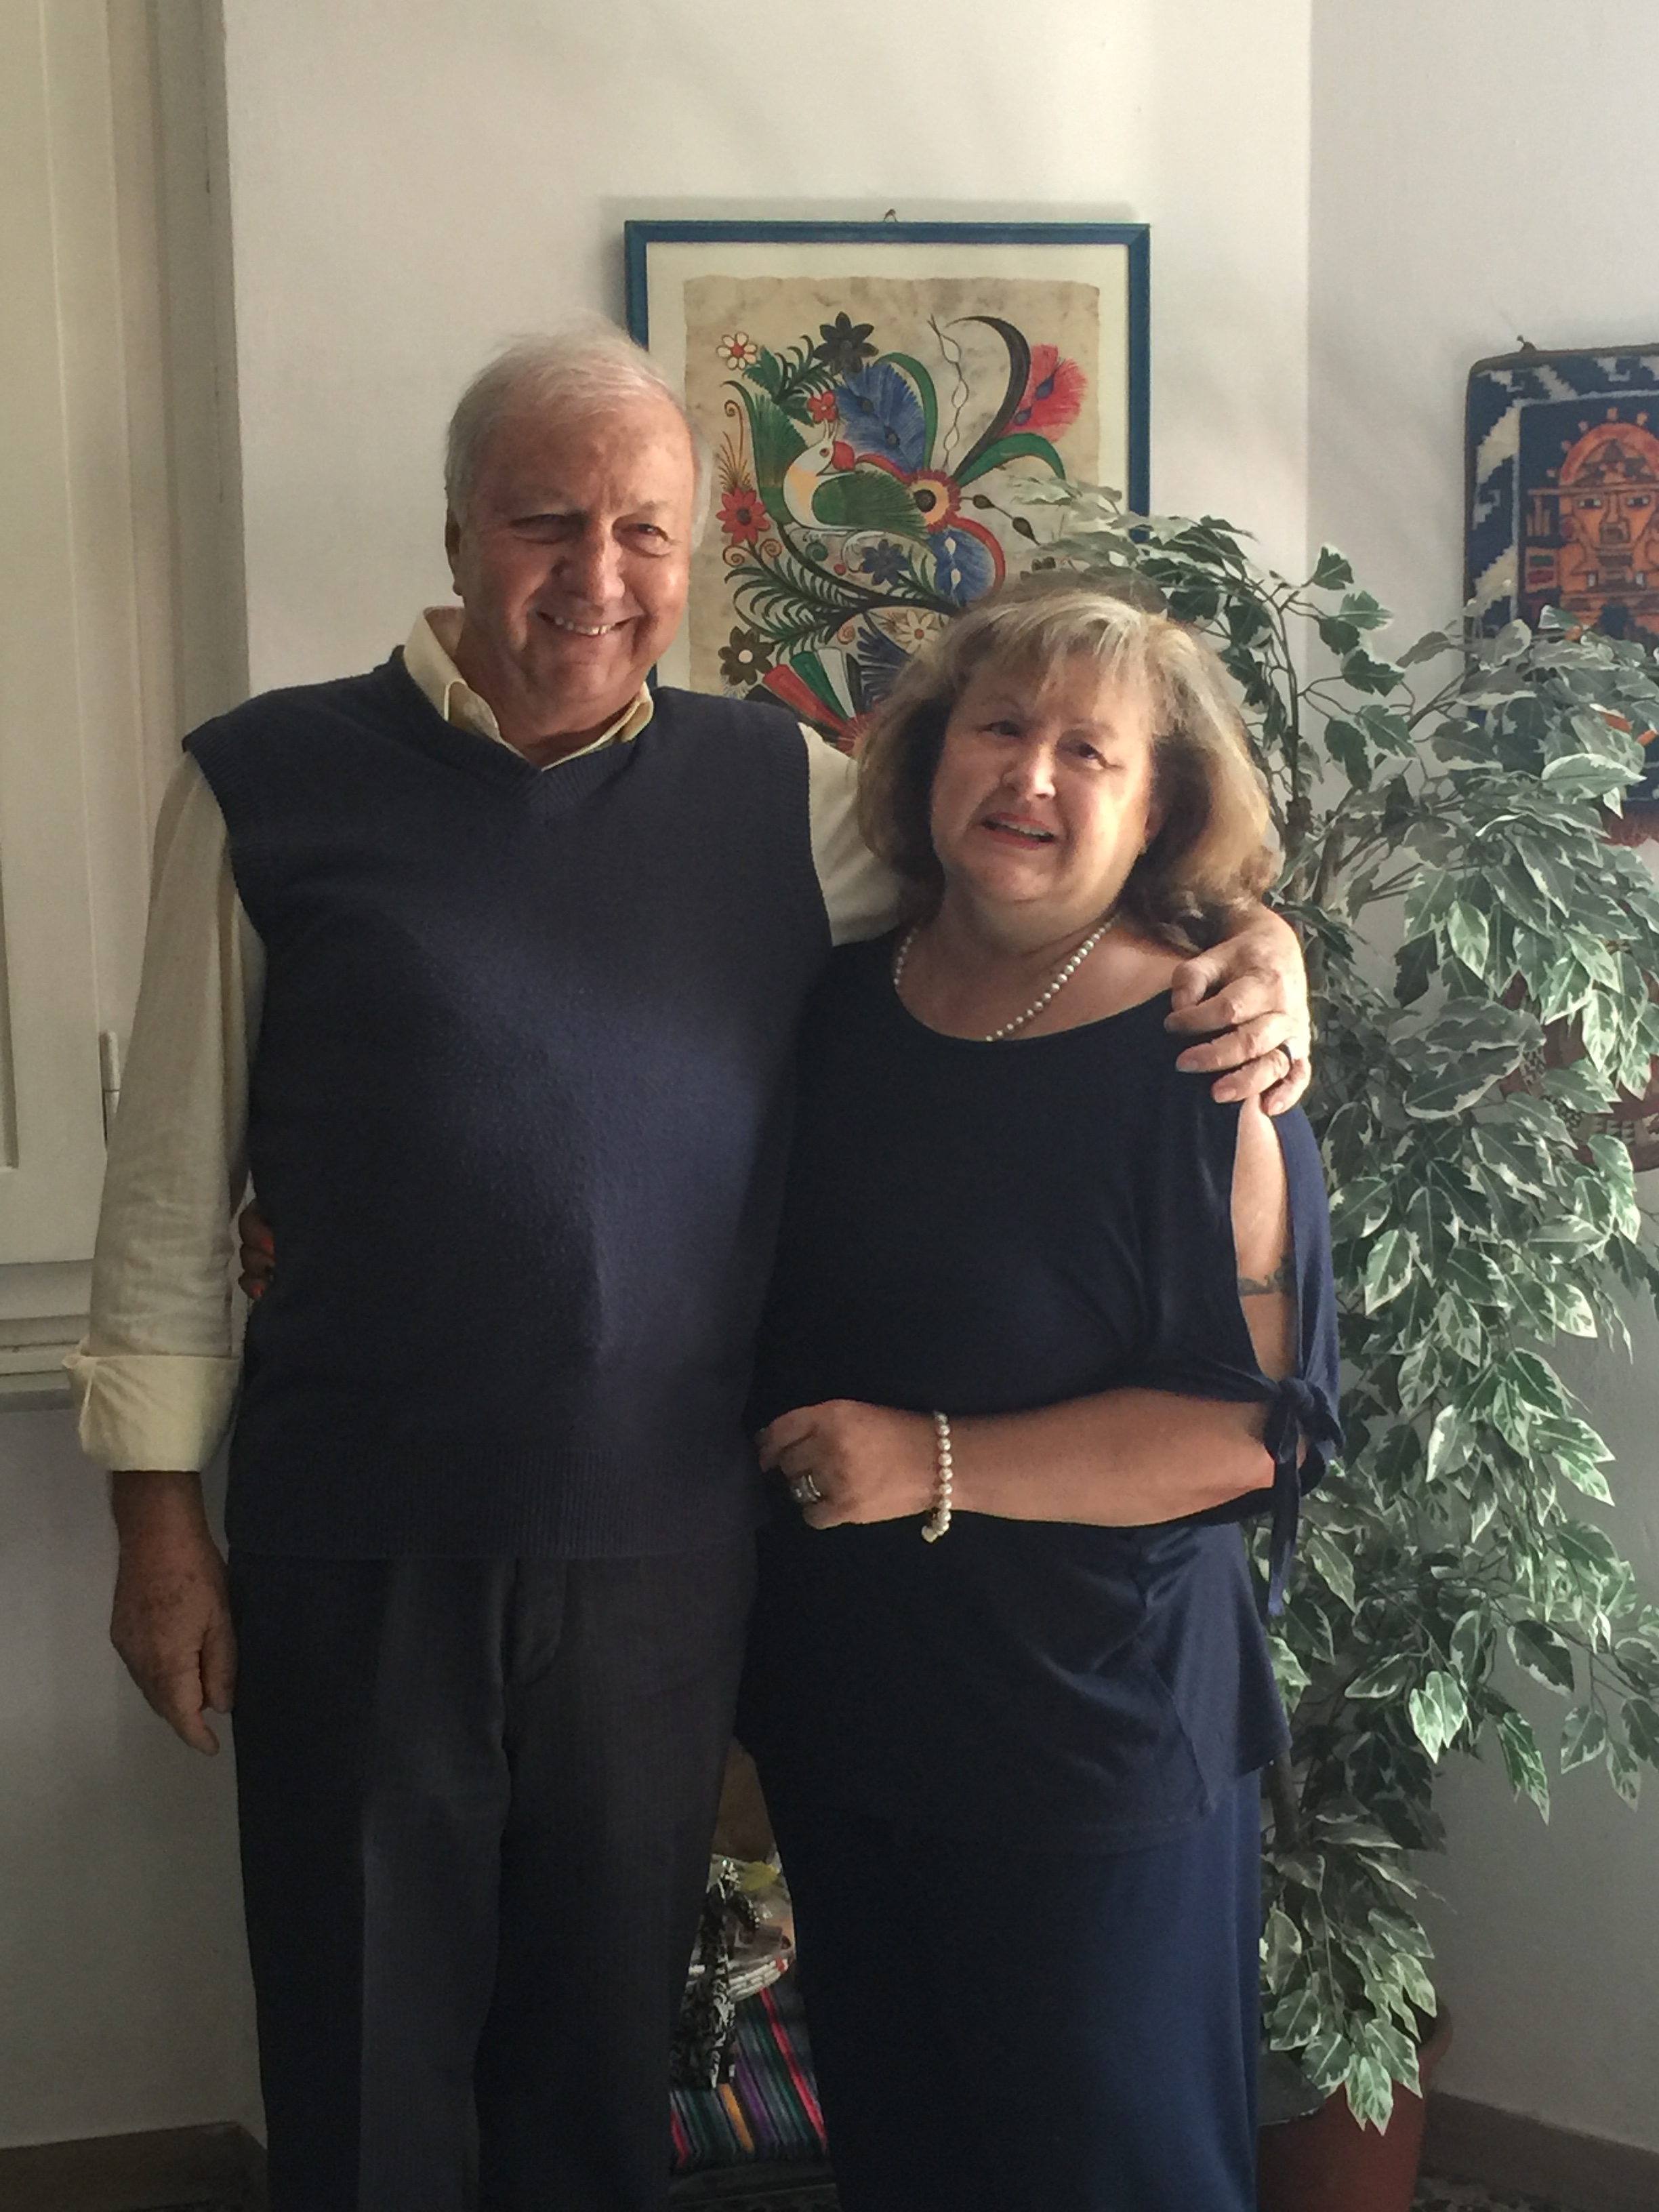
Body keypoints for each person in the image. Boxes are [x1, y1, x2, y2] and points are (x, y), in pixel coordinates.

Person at [73, 324, 1313, 2212]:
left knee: (596, 2077)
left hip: (665, 1555)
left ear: (693, 556)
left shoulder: (777, 792)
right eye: (543, 521)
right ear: (458, 528)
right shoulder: (267, 787)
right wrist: (156, 1515)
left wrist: (1258, 942)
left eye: (644, 531)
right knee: (364, 2059)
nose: (596, 575)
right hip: (364, 1546)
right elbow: (171, 1186)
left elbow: (1031, 883)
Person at [736, 579, 1341, 2212]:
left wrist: (932, 1460)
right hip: (852, 1714)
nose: (1033, 775)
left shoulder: (1210, 1059)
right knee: (909, 2165)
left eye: (1093, 752)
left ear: (1159, 812)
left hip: (1093, 1740)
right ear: (931, 755)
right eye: (1000, 728)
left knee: (1113, 2173)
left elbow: (1249, 1432)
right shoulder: (831, 1007)